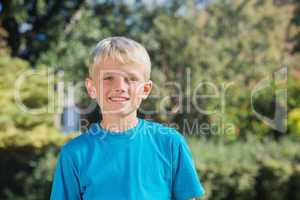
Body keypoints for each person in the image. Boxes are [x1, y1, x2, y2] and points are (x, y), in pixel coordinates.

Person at [50, 36, 205, 200]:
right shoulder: (74, 154)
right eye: (109, 78)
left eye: (130, 79)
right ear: (91, 87)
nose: (120, 87)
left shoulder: (171, 143)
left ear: (145, 89)